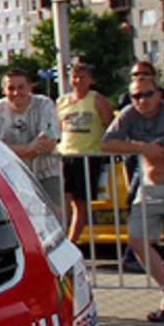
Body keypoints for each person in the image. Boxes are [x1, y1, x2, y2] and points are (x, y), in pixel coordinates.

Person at [102, 77, 164, 321]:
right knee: (137, 238)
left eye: (147, 94)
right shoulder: (128, 114)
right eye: (136, 96)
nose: (142, 101)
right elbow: (107, 143)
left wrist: (162, 144)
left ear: (159, 94)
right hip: (151, 185)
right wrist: (141, 148)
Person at [0, 68, 64, 225]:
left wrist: (12, 149)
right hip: (14, 175)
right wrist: (29, 148)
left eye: (21, 87)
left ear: (30, 87)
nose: (16, 93)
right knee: (19, 219)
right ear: (3, 90)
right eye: (11, 88)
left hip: (46, 171)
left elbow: (47, 144)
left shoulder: (44, 104)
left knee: (55, 216)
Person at [55, 57, 114, 243]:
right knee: (63, 201)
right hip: (64, 155)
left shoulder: (97, 99)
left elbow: (110, 125)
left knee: (80, 203)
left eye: (82, 77)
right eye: (74, 77)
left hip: (87, 155)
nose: (78, 81)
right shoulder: (62, 101)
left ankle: (72, 242)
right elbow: (57, 128)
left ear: (90, 79)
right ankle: (60, 239)